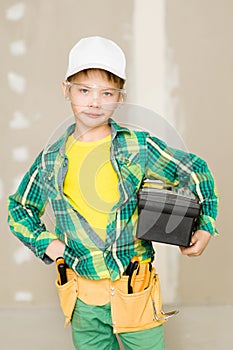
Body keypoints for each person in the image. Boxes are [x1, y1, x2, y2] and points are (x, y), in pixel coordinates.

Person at [7, 36, 219, 350]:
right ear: (65, 90)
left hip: (135, 289)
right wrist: (47, 244)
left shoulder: (138, 147)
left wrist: (204, 225)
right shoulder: (50, 159)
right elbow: (20, 208)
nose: (95, 102)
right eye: (84, 91)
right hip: (82, 297)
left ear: (120, 98)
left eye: (107, 93)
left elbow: (195, 170)